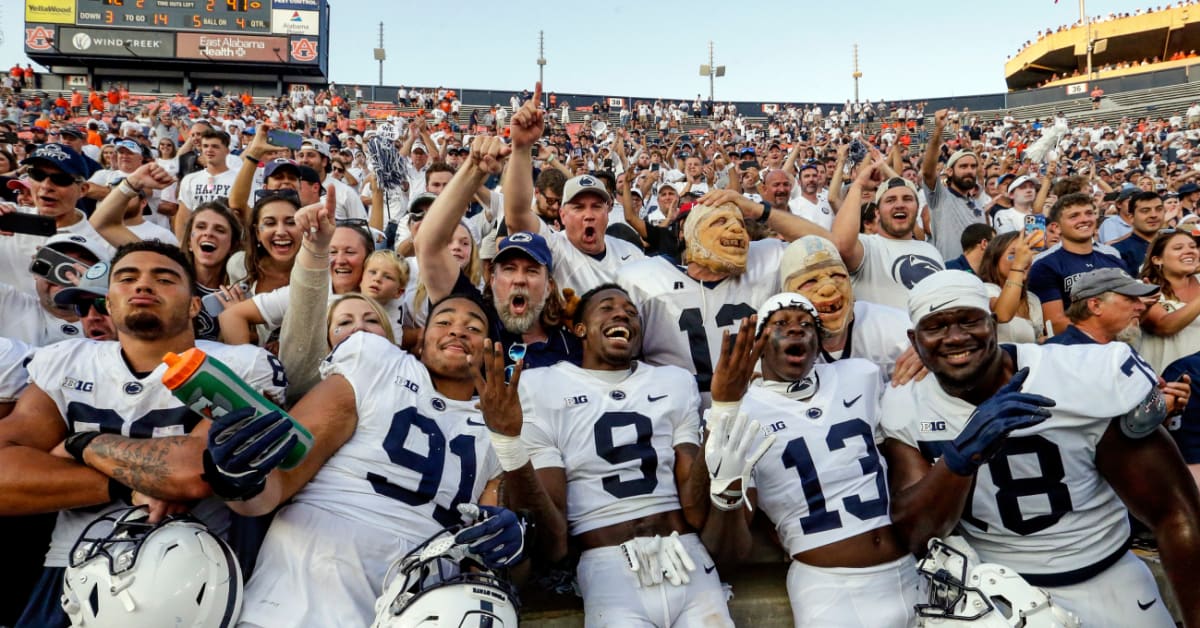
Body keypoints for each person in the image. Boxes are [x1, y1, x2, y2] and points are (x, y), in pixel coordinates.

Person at [880, 270, 1200, 627]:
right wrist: (962, 454)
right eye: (935, 327)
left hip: (1110, 584)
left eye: (969, 321)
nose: (955, 337)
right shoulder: (910, 407)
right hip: (1000, 597)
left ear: (994, 323)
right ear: (915, 338)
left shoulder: (1080, 374)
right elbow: (914, 533)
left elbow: (1175, 512)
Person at [0, 240, 286, 628]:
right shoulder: (68, 360)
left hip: (187, 572)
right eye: (127, 278)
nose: (143, 285)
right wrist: (128, 486)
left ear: (193, 304)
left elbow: (190, 473)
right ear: (110, 302)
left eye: (164, 278)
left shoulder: (241, 364)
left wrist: (82, 443)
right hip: (73, 562)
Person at [209, 292, 524, 627]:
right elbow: (280, 480)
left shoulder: (500, 424)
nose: (458, 330)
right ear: (418, 341)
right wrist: (238, 480)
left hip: (418, 599)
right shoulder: (377, 362)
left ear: (492, 352)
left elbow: (486, 563)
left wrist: (507, 545)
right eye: (444, 321)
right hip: (307, 580)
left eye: (473, 328)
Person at [498, 284, 735, 627]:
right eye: (606, 308)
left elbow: (695, 507)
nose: (621, 313)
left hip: (686, 555)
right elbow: (552, 529)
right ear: (579, 328)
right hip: (607, 566)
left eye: (630, 311)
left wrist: (722, 418)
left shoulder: (673, 381)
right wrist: (507, 442)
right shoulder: (540, 386)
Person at [698, 297, 922, 627]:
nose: (796, 329)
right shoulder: (742, 411)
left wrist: (925, 355)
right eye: (781, 323)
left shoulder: (860, 374)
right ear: (759, 343)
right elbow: (728, 545)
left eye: (806, 324)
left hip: (910, 569)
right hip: (830, 588)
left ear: (819, 342)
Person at [618, 187, 824, 400]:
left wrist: (758, 210)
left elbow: (827, 247)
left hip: (763, 412)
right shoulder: (641, 279)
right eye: (720, 221)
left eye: (741, 223)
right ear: (686, 231)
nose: (736, 230)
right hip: (681, 416)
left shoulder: (765, 258)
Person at [417, 135, 577, 370]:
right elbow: (429, 244)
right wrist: (473, 168)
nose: (519, 279)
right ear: (491, 279)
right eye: (509, 269)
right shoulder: (476, 320)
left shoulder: (571, 344)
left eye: (532, 271)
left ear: (549, 285)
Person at [503, 84, 645, 295]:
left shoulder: (631, 254)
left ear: (608, 212)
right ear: (562, 214)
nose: (589, 215)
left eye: (596, 206)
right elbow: (517, 216)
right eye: (578, 207)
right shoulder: (555, 248)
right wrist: (522, 148)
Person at [778, 235, 916, 383]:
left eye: (837, 275)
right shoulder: (776, 347)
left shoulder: (895, 330)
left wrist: (928, 354)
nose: (828, 288)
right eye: (810, 281)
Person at [0, 144, 115, 295]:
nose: (46, 186)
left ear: (83, 189)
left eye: (61, 179)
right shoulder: (8, 219)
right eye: (37, 175)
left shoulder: (102, 244)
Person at [831, 158, 945, 310]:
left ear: (917, 208)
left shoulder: (931, 250)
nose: (899, 204)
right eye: (890, 200)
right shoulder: (867, 246)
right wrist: (858, 184)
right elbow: (841, 244)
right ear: (877, 213)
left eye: (907, 199)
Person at [1028, 192, 1126, 335]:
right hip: (1074, 348)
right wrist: (1110, 325)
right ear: (1056, 228)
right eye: (1074, 216)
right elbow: (1055, 323)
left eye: (1089, 213)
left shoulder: (1113, 259)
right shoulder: (1045, 266)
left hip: (1119, 344)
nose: (1084, 219)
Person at [921, 109, 988, 261]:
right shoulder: (940, 197)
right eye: (963, 167)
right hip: (950, 276)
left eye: (972, 166)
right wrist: (938, 130)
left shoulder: (977, 202)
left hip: (978, 277)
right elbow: (927, 173)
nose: (969, 171)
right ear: (950, 172)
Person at [1043, 267, 1159, 347]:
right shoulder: (1060, 353)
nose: (1142, 306)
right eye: (1130, 299)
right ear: (1095, 306)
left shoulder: (1119, 347)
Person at [1140, 229, 1200, 373]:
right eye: (1178, 248)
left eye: (1193, 247)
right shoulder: (1144, 288)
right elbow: (1165, 326)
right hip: (1167, 380)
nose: (1189, 251)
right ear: (1157, 259)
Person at [979, 231, 1045, 344]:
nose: (1024, 259)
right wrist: (1018, 266)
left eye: (1026, 254)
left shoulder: (1032, 299)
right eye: (1014, 254)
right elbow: (1002, 315)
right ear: (994, 259)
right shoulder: (984, 290)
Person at [172, 129, 237, 242]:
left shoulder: (238, 179)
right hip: (198, 240)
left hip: (229, 240)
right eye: (205, 146)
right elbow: (182, 217)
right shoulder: (190, 179)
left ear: (227, 150)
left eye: (215, 146)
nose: (209, 150)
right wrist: (182, 246)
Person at [1110, 191, 1166, 276]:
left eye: (1159, 209)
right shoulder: (1118, 251)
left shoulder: (1175, 244)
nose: (1154, 215)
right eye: (1145, 211)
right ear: (1131, 217)